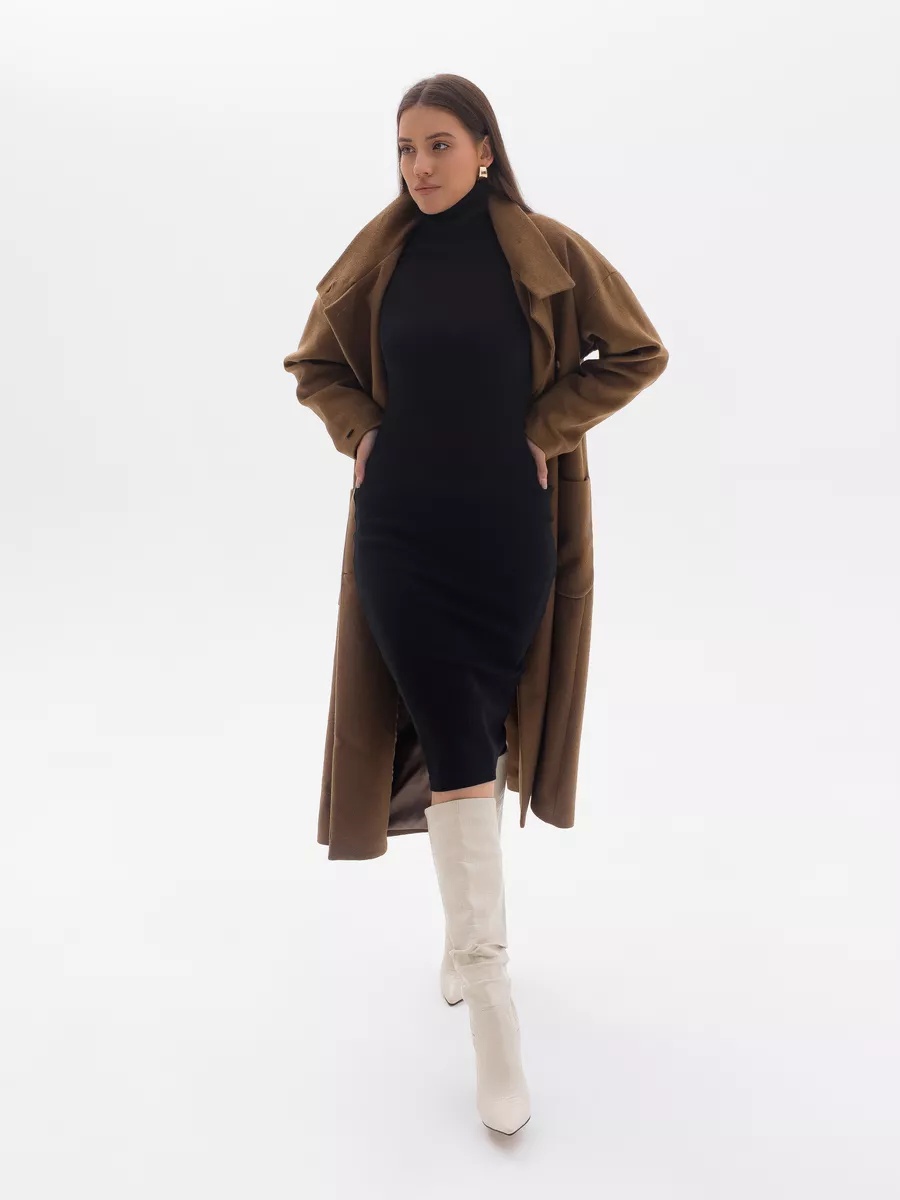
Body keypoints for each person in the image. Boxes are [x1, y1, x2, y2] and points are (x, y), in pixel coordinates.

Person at [283, 73, 669, 1136]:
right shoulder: (379, 256)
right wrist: (362, 430)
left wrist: (542, 430)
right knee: (451, 735)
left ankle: (463, 943)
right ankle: (493, 1001)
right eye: (405, 148)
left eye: (439, 145)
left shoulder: (550, 253)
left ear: (486, 149)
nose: (418, 167)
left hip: (507, 538)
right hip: (400, 536)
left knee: (483, 734)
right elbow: (314, 364)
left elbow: (638, 351)